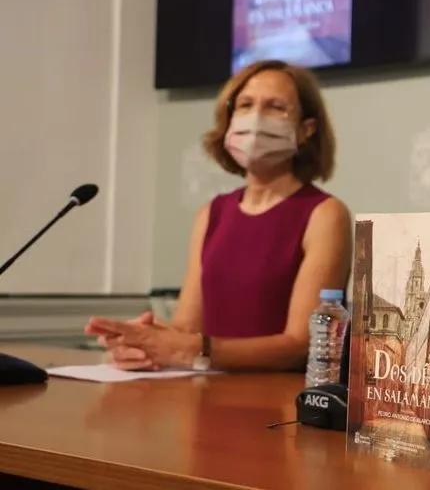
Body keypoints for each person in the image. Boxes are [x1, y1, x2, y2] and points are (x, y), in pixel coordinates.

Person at [85, 59, 352, 372]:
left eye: (275, 107)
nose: (256, 118)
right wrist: (142, 341)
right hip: (205, 396)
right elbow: (186, 328)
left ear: (306, 129)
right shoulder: (211, 213)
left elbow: (299, 344)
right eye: (245, 105)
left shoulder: (325, 214)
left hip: (278, 403)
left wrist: (193, 348)